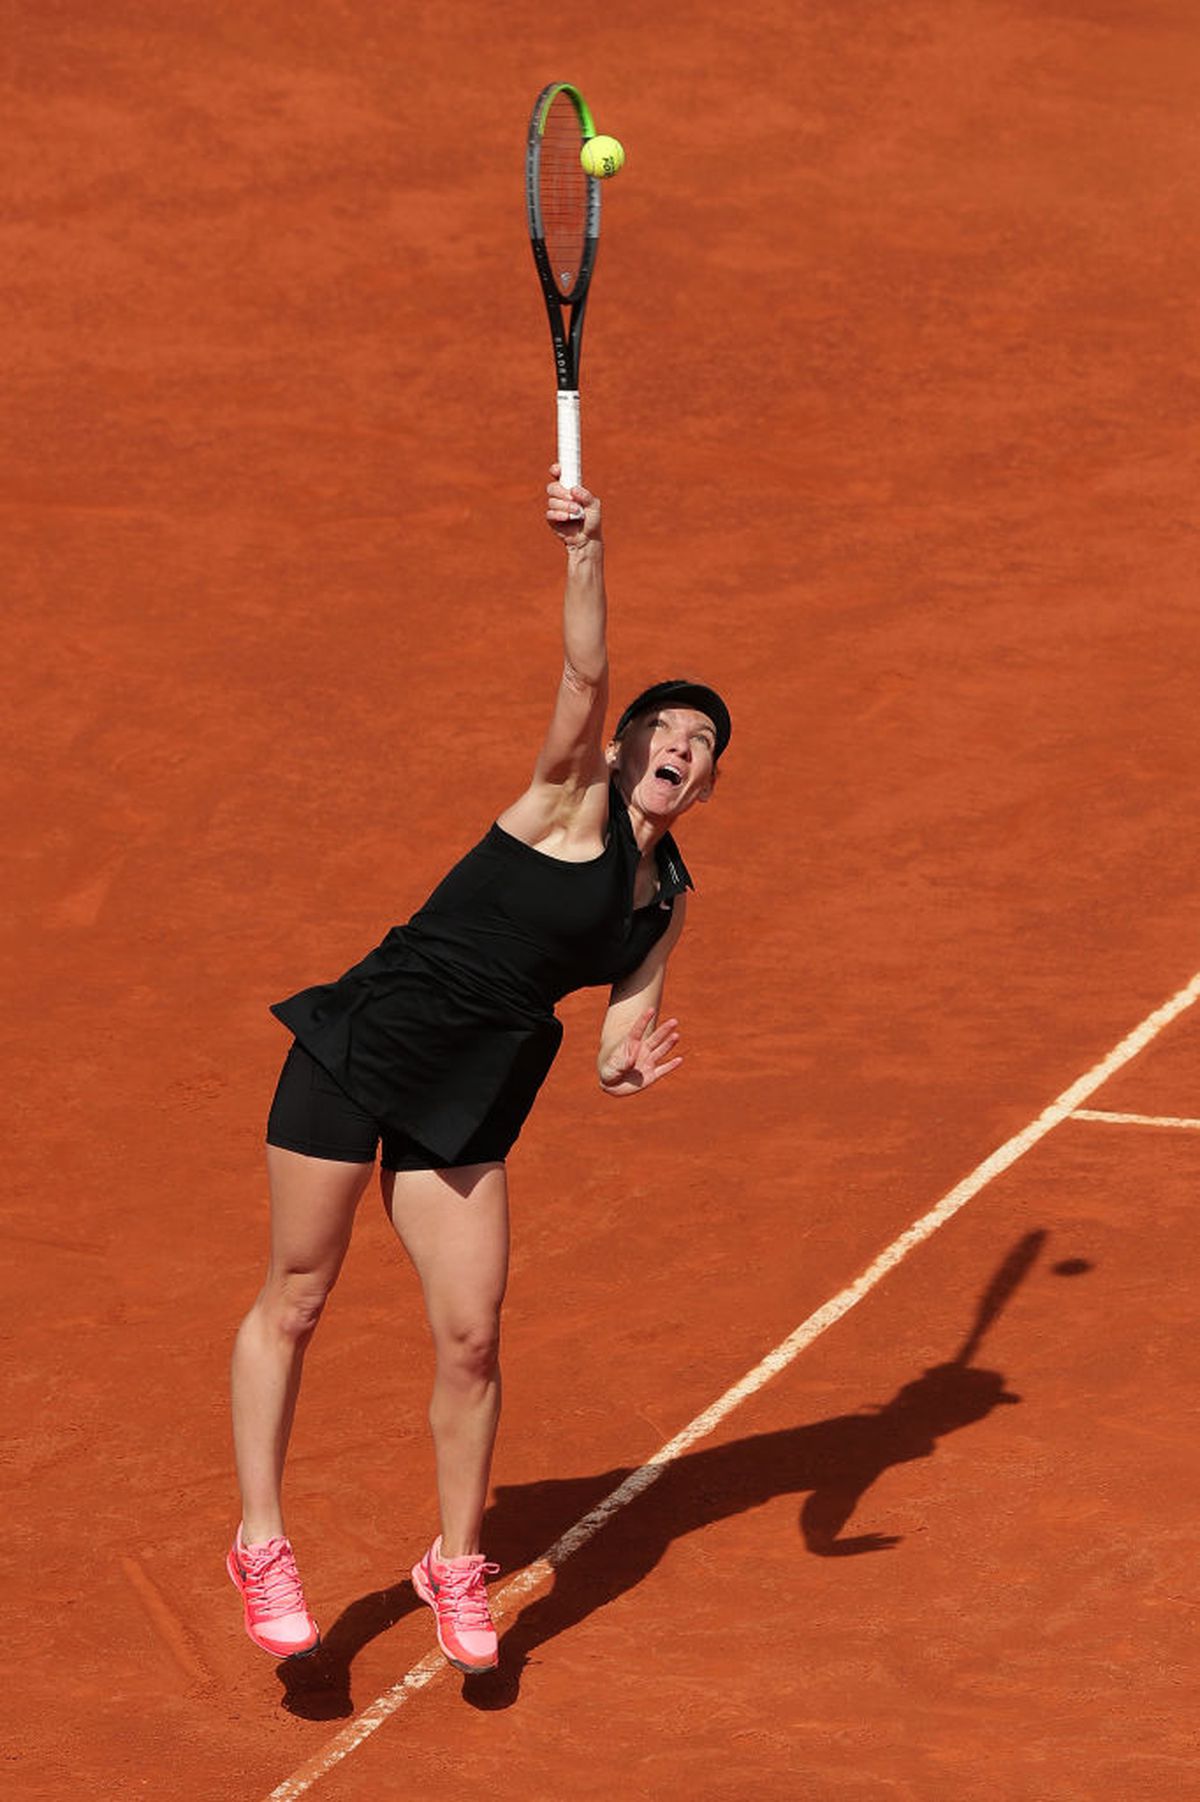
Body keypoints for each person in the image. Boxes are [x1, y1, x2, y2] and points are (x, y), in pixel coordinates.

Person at [227, 469, 731, 1677]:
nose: (679, 744)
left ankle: (456, 1563)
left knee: (472, 1338)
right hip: (367, 1044)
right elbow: (581, 674)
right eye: (663, 730)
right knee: (297, 1294)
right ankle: (259, 1540)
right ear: (619, 751)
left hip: (476, 1092)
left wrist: (623, 1073)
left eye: (700, 744)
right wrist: (586, 549)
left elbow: (619, 1031)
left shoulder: (662, 901)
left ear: (709, 786)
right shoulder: (566, 798)